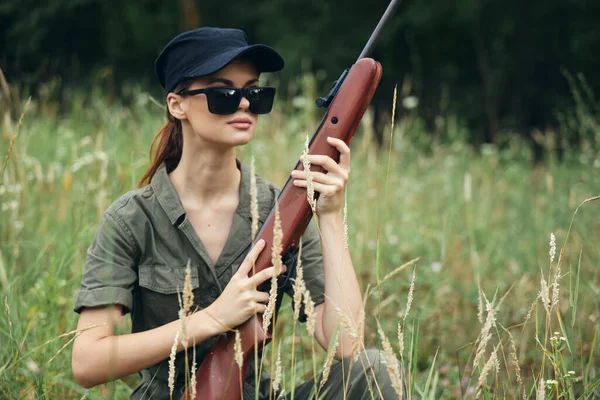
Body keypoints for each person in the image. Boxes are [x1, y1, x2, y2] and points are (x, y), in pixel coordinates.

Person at [71, 27, 401, 399]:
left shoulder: (283, 213)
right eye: (223, 93)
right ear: (177, 104)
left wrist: (329, 215)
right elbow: (87, 362)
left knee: (376, 370)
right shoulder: (132, 219)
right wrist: (210, 320)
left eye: (255, 92)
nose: (244, 104)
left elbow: (344, 343)